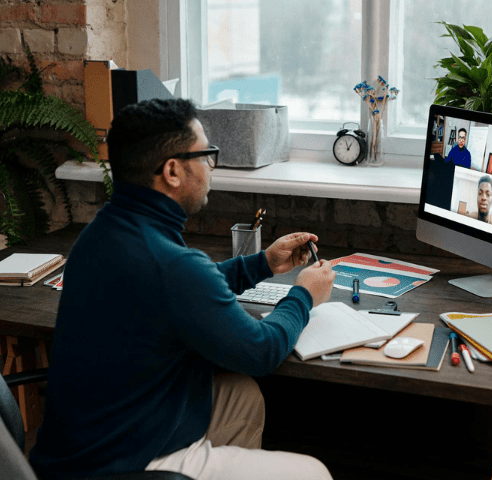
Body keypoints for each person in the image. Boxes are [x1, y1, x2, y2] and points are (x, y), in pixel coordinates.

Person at [30, 98, 336, 480]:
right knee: (314, 472)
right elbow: (261, 350)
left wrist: (264, 264)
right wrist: (305, 294)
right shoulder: (170, 265)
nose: (211, 167)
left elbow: (174, 293)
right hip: (125, 463)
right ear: (173, 171)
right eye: (207, 155)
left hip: (80, 446)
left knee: (242, 396)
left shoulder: (101, 234)